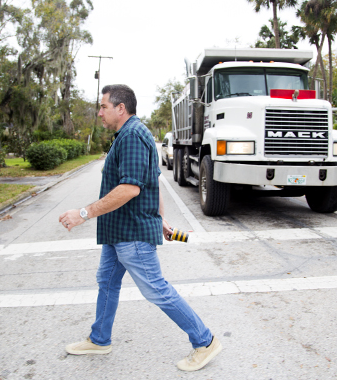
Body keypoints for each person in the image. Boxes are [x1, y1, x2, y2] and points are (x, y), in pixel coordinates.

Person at [58, 84, 221, 372]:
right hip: (118, 231)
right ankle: (99, 339)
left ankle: (204, 341)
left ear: (121, 108)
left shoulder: (132, 135)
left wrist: (84, 213)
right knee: (107, 282)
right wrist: (160, 218)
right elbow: (153, 180)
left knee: (156, 290)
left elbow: (131, 188)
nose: (99, 112)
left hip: (130, 232)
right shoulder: (131, 133)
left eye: (104, 106)